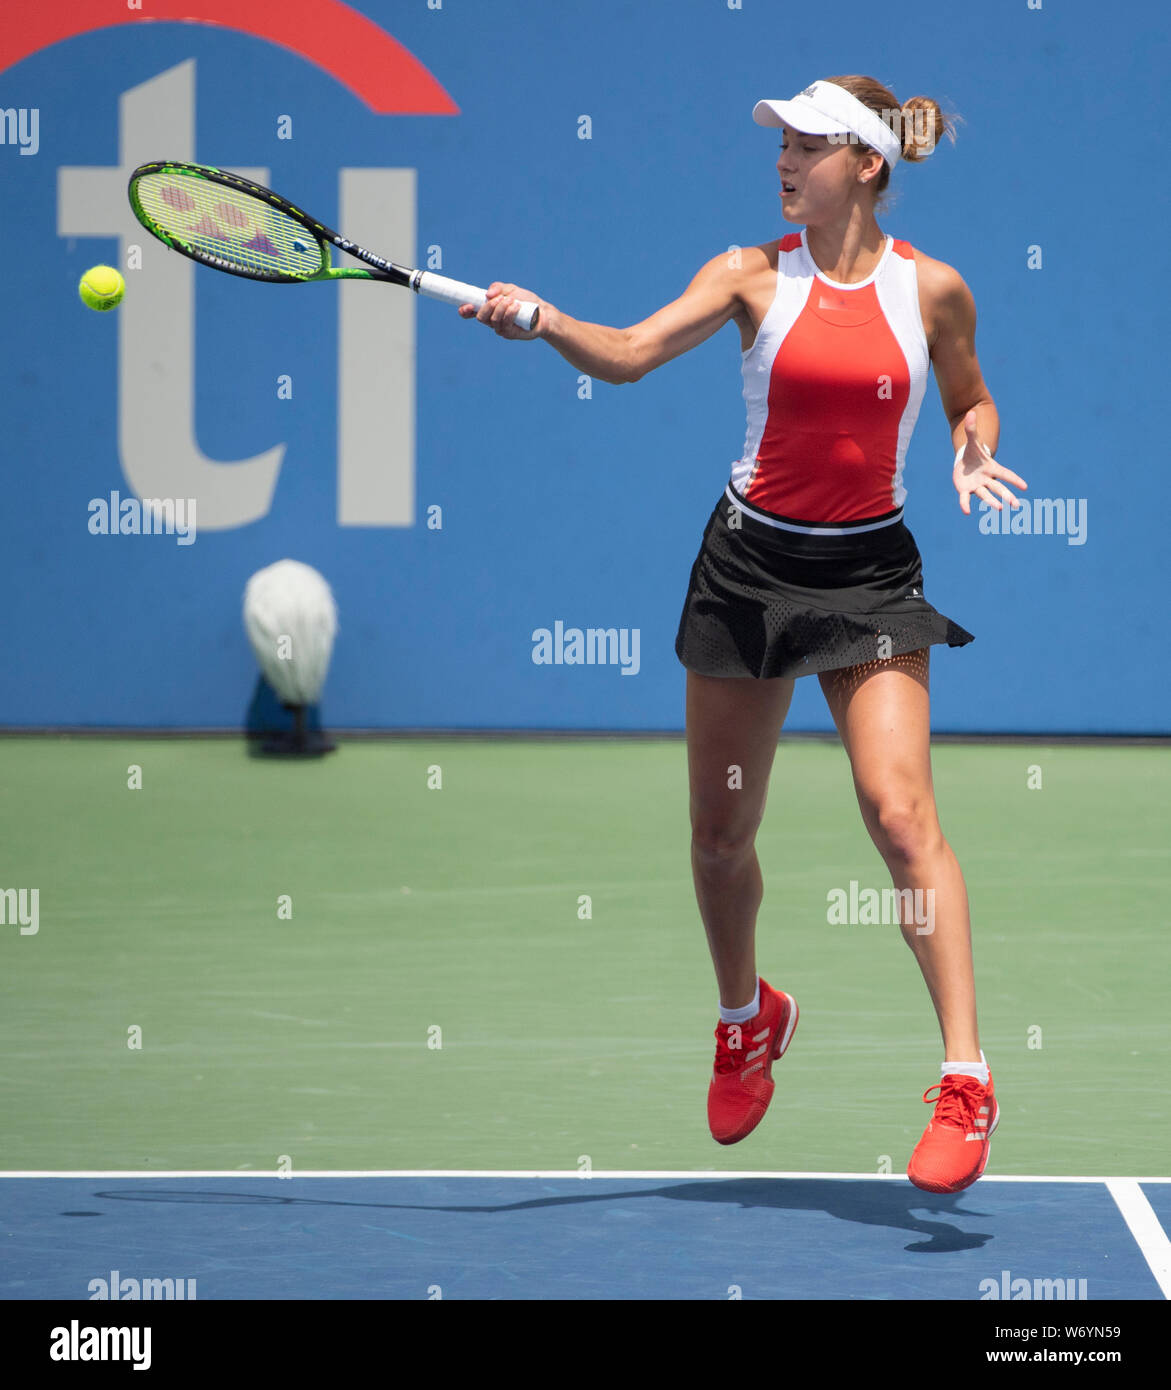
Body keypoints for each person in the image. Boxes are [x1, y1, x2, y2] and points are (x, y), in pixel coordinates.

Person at [461, 74, 1027, 1194]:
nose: (783, 158)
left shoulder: (934, 292)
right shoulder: (748, 276)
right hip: (747, 575)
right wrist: (545, 321)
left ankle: (966, 1075)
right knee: (720, 835)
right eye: (782, 141)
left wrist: (971, 443)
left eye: (810, 144)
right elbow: (624, 353)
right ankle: (744, 1016)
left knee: (900, 812)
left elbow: (971, 396)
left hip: (868, 576)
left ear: (866, 164)